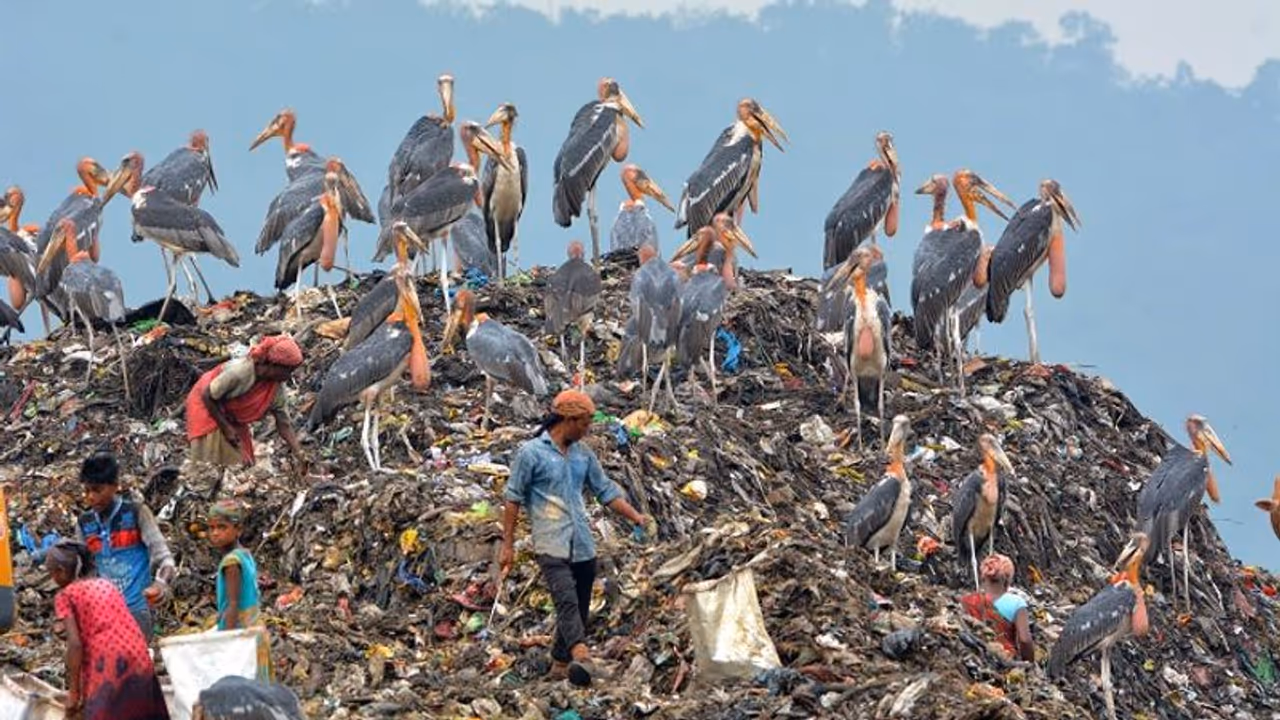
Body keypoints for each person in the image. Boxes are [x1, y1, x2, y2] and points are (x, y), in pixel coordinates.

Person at [499, 390, 652, 687]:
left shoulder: (584, 455)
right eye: (584, 423)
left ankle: (559, 662)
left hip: (581, 542)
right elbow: (512, 498)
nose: (587, 429)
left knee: (581, 604)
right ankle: (582, 656)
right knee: (566, 599)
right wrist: (507, 545)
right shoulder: (531, 453)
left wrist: (636, 517)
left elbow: (605, 491)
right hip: (549, 541)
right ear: (567, 420)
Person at [46, 540, 170, 720]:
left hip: (107, 661)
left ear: (61, 571)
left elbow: (75, 645)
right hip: (137, 653)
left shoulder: (65, 595)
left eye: (51, 573)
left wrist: (74, 693)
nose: (52, 579)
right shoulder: (105, 584)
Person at [73, 451, 176, 641]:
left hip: (137, 609)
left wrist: (160, 585)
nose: (90, 497)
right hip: (103, 612)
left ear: (114, 486)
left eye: (97, 490)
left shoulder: (136, 513)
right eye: (86, 491)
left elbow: (164, 558)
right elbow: (84, 570)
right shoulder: (84, 523)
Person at [185, 334, 305, 470]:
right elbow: (208, 395)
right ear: (272, 365)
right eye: (287, 371)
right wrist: (226, 428)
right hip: (207, 406)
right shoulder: (241, 371)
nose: (289, 376)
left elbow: (284, 424)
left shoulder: (275, 387)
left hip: (231, 414)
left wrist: (300, 455)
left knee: (245, 464)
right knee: (215, 464)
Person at [208, 499, 273, 682]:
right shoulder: (244, 555)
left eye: (222, 527)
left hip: (241, 635)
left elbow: (233, 605)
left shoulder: (231, 563)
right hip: (254, 629)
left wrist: (225, 641)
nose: (215, 533)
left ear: (238, 529)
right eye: (211, 528)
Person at [959, 554, 1035, 662]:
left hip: (975, 658)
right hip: (1005, 659)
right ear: (1007, 579)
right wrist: (1030, 664)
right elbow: (1025, 640)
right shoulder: (1017, 602)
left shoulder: (967, 600)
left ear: (983, 576)